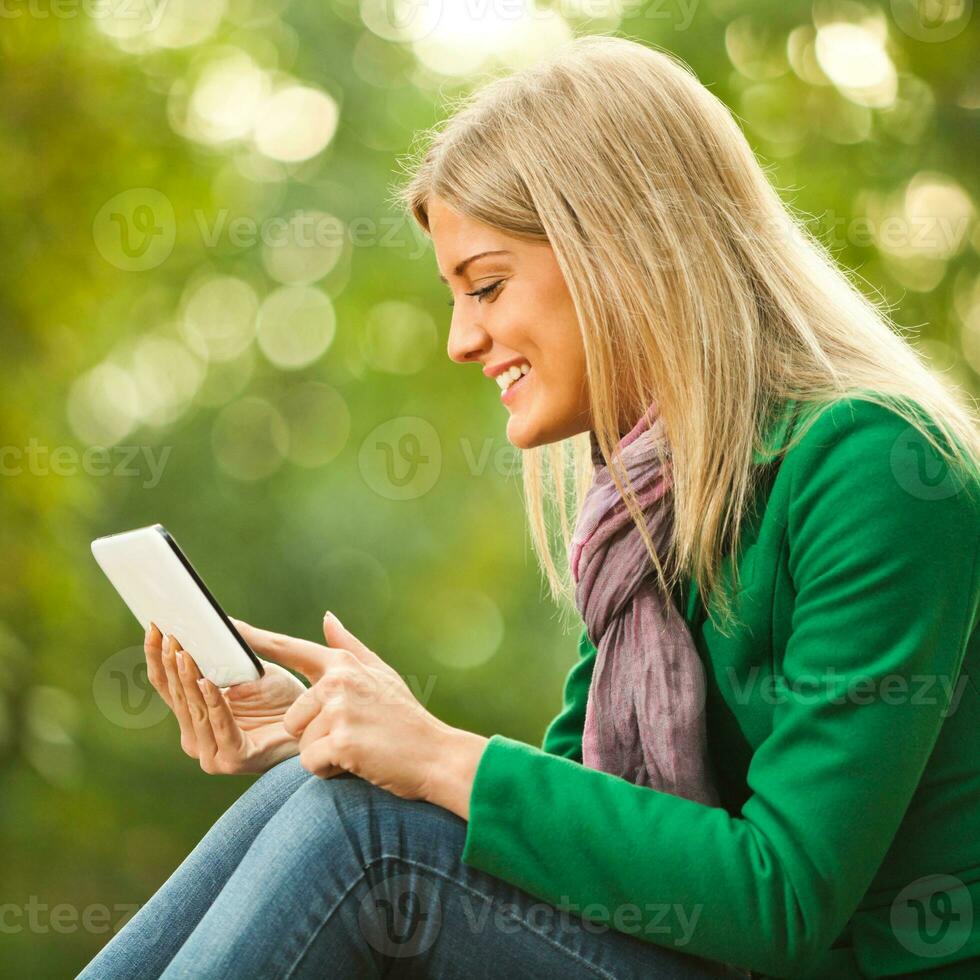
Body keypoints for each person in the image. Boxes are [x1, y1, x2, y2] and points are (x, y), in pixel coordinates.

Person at [77, 34, 980, 979]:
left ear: (625, 253)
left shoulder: (874, 465)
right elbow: (577, 830)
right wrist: (333, 728)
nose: (463, 340)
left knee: (368, 831)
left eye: (489, 285)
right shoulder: (651, 500)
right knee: (324, 791)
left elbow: (785, 896)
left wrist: (429, 755)